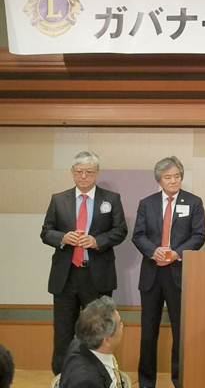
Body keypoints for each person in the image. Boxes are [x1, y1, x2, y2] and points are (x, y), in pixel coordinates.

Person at [41, 151, 128, 375]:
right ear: (72, 172)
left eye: (89, 172)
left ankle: (99, 377)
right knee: (63, 333)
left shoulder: (111, 199)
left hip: (96, 275)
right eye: (79, 171)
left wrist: (97, 241)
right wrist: (63, 237)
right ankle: (62, 378)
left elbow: (120, 231)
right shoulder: (59, 199)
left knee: (99, 332)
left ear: (97, 173)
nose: (83, 176)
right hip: (66, 276)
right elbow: (46, 232)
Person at [132, 156, 205, 388]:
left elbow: (199, 235)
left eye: (177, 176)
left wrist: (177, 253)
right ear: (159, 180)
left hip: (178, 274)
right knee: (148, 333)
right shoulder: (147, 203)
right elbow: (138, 235)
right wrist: (153, 251)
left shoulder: (193, 202)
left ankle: (179, 381)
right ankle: (146, 382)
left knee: (180, 332)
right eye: (168, 177)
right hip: (152, 275)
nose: (173, 181)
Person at [60, 296, 124, 388]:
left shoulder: (82, 341)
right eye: (119, 324)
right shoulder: (85, 382)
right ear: (107, 340)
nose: (122, 325)